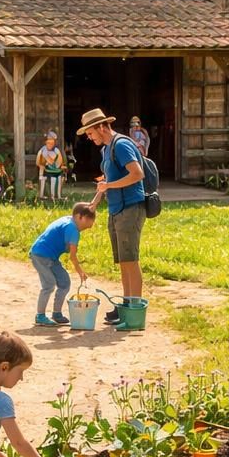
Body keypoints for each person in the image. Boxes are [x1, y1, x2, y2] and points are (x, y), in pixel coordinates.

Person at [77, 108, 145, 324]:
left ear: (101, 127)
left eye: (90, 133)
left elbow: (137, 174)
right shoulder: (106, 149)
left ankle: (134, 309)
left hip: (130, 208)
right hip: (116, 209)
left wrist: (110, 185)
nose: (89, 138)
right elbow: (108, 178)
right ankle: (126, 305)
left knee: (131, 260)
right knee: (123, 261)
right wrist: (96, 201)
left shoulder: (122, 144)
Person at [29, 202, 95, 327]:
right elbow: (72, 256)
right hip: (40, 255)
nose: (86, 228)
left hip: (51, 257)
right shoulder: (73, 229)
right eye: (86, 225)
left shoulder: (68, 220)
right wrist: (80, 272)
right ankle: (40, 316)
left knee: (64, 282)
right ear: (79, 216)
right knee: (49, 284)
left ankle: (57, 314)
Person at [36, 131, 66, 202]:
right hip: (46, 170)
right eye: (49, 143)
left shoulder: (56, 150)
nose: (50, 145)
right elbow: (43, 162)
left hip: (56, 169)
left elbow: (60, 161)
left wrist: (59, 164)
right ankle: (42, 195)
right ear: (45, 142)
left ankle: (58, 196)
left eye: (52, 143)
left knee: (59, 178)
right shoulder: (43, 151)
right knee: (46, 179)